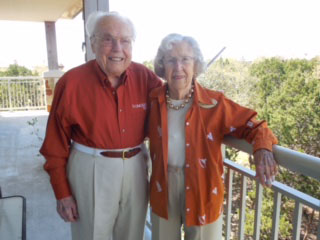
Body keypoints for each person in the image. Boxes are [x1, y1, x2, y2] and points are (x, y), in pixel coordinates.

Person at [40, 11, 162, 240]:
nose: (117, 48)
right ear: (93, 44)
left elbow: (176, 102)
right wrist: (62, 193)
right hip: (91, 168)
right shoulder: (72, 82)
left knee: (132, 235)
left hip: (136, 167)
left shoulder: (145, 77)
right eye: (108, 39)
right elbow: (54, 145)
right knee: (92, 235)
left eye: (125, 40)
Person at [147, 33, 278, 240]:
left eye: (185, 59)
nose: (178, 67)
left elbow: (255, 125)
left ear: (195, 65)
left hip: (203, 187)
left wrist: (262, 148)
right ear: (162, 65)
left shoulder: (214, 103)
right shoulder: (152, 102)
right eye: (171, 60)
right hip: (163, 187)